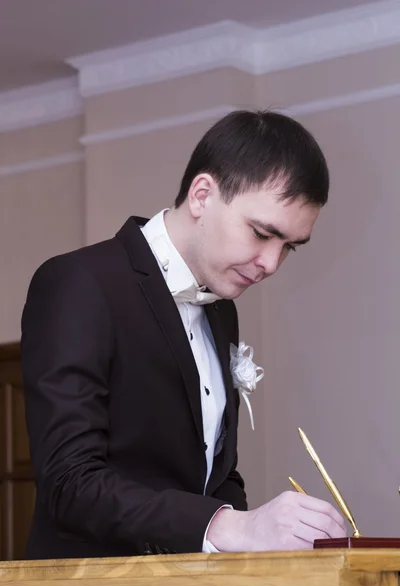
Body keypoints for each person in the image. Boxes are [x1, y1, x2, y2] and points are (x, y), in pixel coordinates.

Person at [21, 110, 346, 560]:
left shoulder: (221, 312)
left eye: (288, 246)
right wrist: (233, 526)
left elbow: (213, 477)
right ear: (201, 195)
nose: (272, 263)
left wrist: (263, 542)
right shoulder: (79, 282)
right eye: (261, 233)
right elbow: (69, 484)